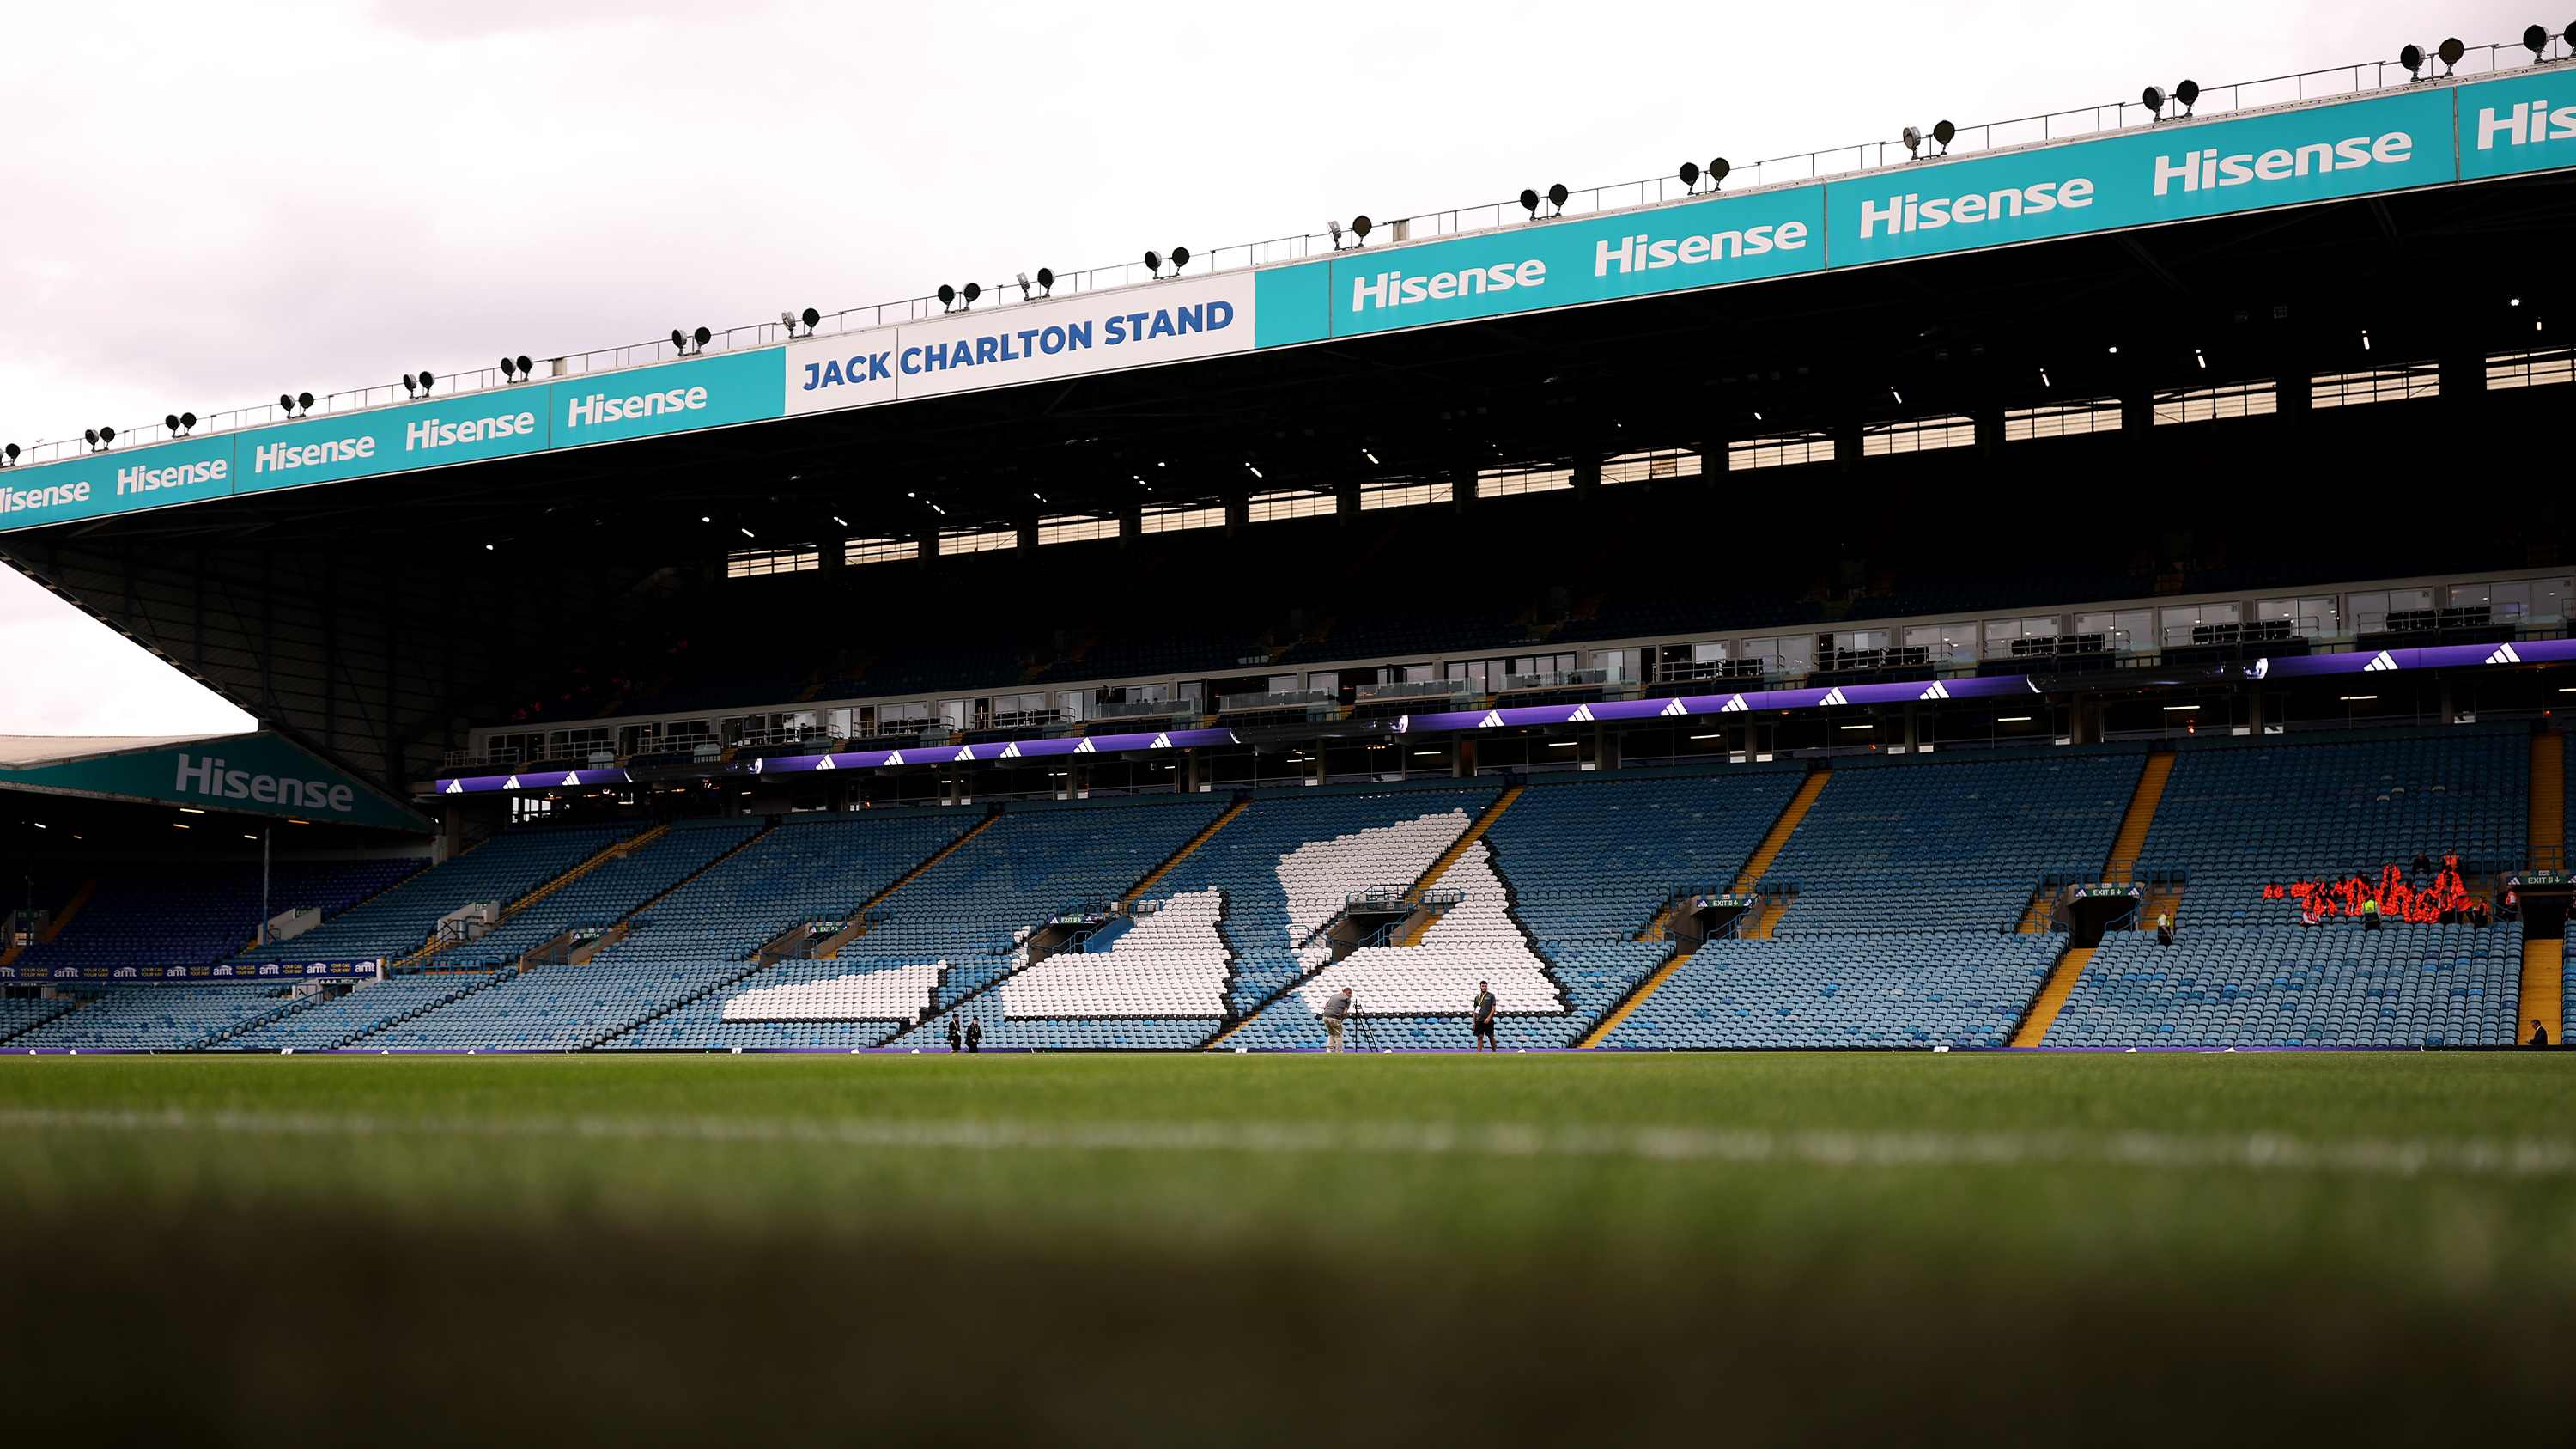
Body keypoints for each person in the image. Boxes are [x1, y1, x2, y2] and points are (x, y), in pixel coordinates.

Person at [1319, 986, 1352, 1052]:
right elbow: (1345, 1012)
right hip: (1335, 1017)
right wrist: (1341, 1019)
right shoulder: (1347, 999)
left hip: (1325, 1016)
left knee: (1331, 1033)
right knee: (1339, 1035)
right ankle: (1339, 1051)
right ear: (1348, 993)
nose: (1350, 996)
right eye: (1350, 994)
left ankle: (1329, 1050)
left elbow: (1325, 1007)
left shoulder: (1333, 996)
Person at [1471, 980, 1498, 1052]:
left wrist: (1489, 1018)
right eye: (1482, 986)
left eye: (1485, 986)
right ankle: (1479, 1053)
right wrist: (1474, 1021)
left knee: (1491, 1036)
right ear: (1480, 987)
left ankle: (1494, 1052)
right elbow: (1476, 1010)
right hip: (1479, 1020)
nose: (1484, 987)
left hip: (1488, 1020)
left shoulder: (1491, 996)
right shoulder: (1477, 997)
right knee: (1479, 1036)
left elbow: (1493, 1008)